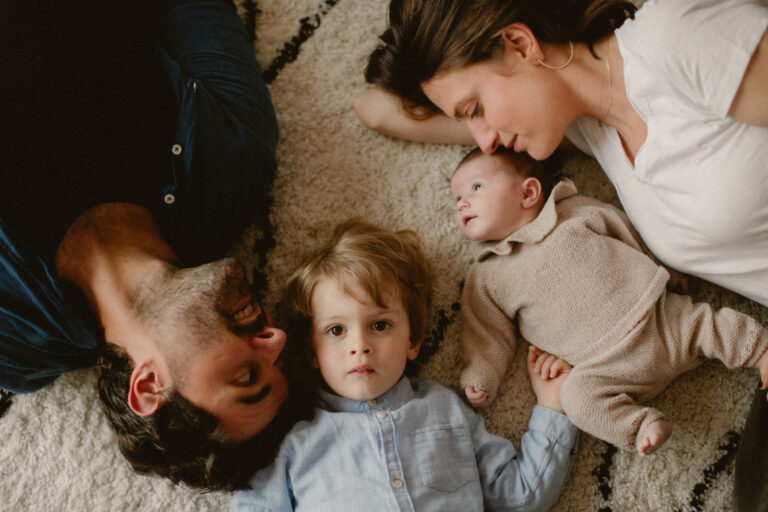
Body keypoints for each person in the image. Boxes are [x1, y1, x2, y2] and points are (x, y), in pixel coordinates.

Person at [356, 0, 767, 506]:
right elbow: (373, 110)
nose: (482, 140)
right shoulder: (592, 133)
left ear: (521, 44)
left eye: (475, 109)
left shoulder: (672, 34)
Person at [0, 0, 310, 490]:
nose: (276, 340)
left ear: (149, 387)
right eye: (278, 360)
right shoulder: (234, 158)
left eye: (248, 379)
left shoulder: (13, 338)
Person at [230, 220, 579, 511]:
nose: (360, 346)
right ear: (312, 353)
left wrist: (553, 408)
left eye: (379, 325)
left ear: (413, 340)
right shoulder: (294, 440)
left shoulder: (445, 409)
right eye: (336, 330)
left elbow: (518, 496)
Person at [450, 147, 768, 456]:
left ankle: (761, 351)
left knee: (710, 325)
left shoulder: (572, 212)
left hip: (658, 319)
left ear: (528, 193)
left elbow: (628, 231)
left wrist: (668, 269)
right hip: (607, 370)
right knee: (575, 398)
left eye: (476, 188)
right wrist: (480, 375)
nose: (463, 203)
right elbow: (485, 331)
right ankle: (640, 426)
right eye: (457, 199)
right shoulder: (487, 275)